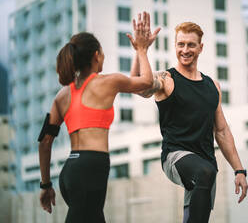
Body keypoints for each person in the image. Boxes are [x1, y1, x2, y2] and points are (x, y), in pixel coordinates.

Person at [38, 12, 160, 222]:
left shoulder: (62, 95)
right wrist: (141, 49)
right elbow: (147, 82)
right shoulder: (107, 82)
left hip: (70, 171)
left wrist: (45, 185)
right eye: (102, 53)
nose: (103, 57)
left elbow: (44, 142)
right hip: (90, 169)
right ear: (96, 55)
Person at [130, 22, 248, 223]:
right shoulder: (166, 79)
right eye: (180, 44)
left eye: (191, 45)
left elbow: (221, 131)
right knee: (204, 172)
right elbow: (138, 86)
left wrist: (239, 170)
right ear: (174, 46)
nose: (185, 50)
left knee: (195, 216)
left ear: (201, 47)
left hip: (205, 166)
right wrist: (141, 50)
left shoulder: (213, 86)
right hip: (175, 156)